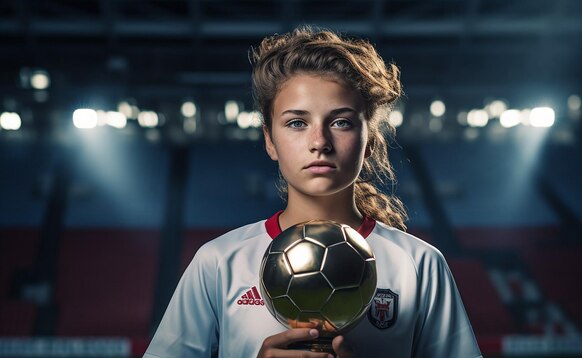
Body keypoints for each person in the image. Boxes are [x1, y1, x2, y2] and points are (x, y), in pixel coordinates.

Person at [145, 26, 482, 358]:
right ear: (269, 140)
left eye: (341, 122)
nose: (319, 142)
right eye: (296, 123)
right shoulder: (219, 262)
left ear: (370, 142)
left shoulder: (419, 264)